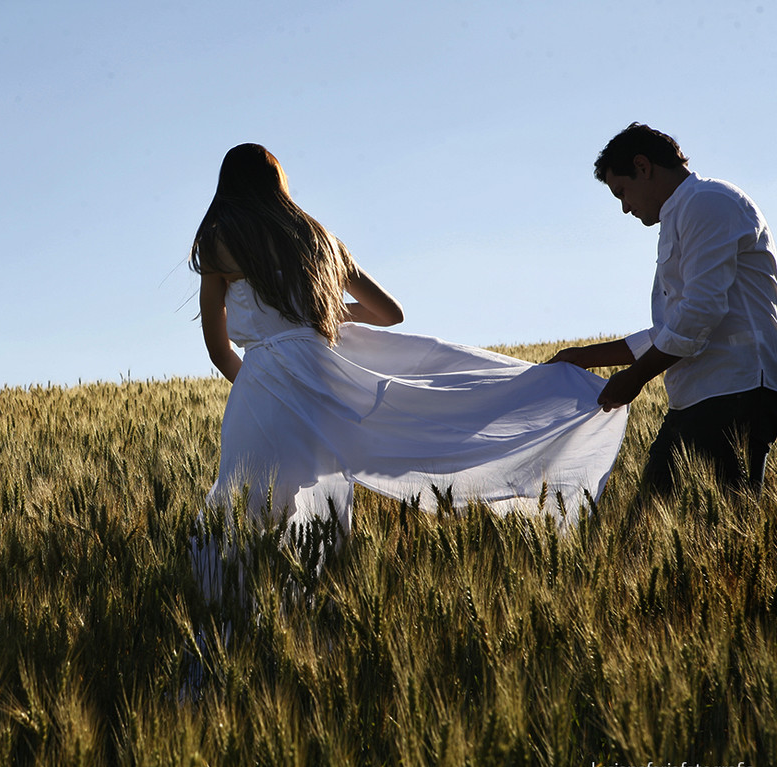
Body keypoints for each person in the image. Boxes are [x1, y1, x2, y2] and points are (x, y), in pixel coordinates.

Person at [191, 143, 628, 539]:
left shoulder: (218, 241)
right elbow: (389, 314)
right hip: (325, 385)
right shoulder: (320, 240)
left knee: (242, 514)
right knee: (316, 512)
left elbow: (218, 348)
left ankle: (231, 614)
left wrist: (261, 383)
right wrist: (315, 316)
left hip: (263, 386)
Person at [550, 123, 777, 494]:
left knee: (712, 533)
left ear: (643, 166)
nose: (625, 208)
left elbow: (700, 313)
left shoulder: (708, 202)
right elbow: (672, 328)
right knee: (646, 532)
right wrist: (582, 357)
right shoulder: (683, 213)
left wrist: (636, 377)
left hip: (734, 391)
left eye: (621, 191)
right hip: (699, 396)